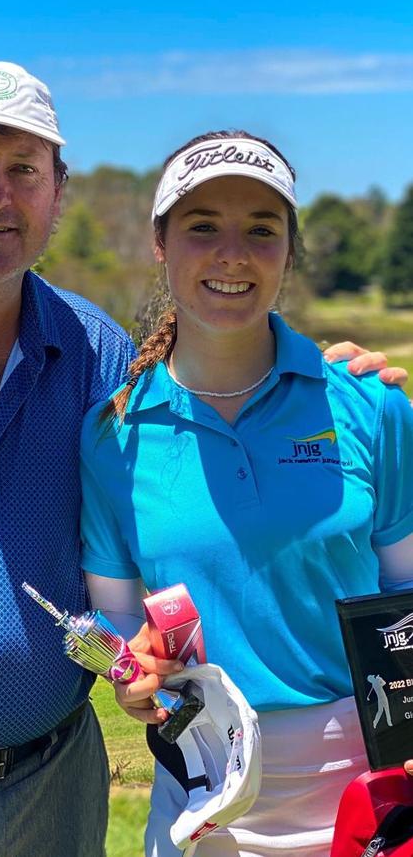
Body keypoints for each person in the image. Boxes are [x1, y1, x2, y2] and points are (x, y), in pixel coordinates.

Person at [0, 64, 403, 857]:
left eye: (23, 170)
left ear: (56, 190)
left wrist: (334, 385)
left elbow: (209, 380)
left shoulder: (97, 354)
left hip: (61, 783)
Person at [79, 130, 413, 857]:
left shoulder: (369, 404)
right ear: (160, 243)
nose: (232, 253)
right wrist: (132, 681)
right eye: (203, 227)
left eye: (261, 230)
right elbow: (116, 632)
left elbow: (409, 598)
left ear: (289, 252)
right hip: (202, 805)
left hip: (369, 800)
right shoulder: (112, 436)